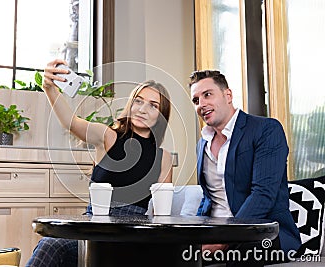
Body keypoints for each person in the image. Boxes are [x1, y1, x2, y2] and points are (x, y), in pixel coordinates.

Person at [26, 59, 173, 267]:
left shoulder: (163, 157)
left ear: (161, 115)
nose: (142, 109)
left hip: (132, 238)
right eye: (138, 101)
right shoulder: (108, 136)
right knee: (51, 245)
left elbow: (162, 216)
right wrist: (49, 87)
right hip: (92, 229)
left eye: (153, 105)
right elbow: (70, 122)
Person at [188, 70, 301, 266]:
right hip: (214, 232)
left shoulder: (266, 129)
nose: (201, 104)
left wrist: (225, 239)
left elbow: (263, 194)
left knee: (243, 253)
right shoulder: (202, 144)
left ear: (228, 95)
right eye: (196, 100)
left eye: (207, 94)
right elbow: (211, 198)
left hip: (262, 233)